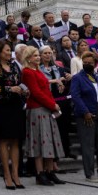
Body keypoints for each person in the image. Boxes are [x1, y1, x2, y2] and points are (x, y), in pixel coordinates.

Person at [0, 39, 29, 189]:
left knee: (16, 141)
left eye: (9, 50)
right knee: (4, 140)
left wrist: (23, 90)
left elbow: (20, 82)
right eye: (6, 50)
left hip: (15, 106)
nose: (8, 53)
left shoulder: (14, 67)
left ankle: (15, 173)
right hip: (2, 107)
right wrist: (9, 89)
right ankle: (6, 174)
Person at [21, 46, 65, 186]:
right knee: (39, 142)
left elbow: (46, 90)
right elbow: (36, 92)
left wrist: (53, 104)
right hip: (37, 110)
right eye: (35, 56)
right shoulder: (27, 72)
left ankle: (49, 171)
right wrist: (52, 105)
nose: (38, 58)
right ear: (28, 58)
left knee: (49, 141)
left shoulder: (38, 70)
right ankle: (40, 173)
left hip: (46, 109)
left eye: (37, 55)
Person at [71, 51, 98, 183]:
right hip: (86, 115)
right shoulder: (78, 78)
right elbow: (75, 96)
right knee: (88, 145)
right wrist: (85, 112)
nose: (87, 65)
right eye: (85, 63)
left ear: (95, 64)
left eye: (90, 63)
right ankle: (90, 174)